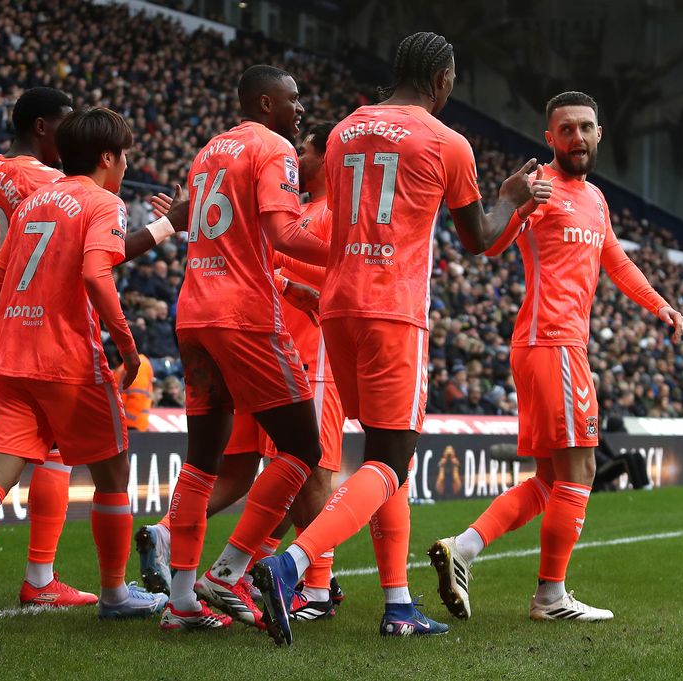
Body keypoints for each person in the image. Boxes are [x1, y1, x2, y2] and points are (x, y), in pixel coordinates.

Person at [252, 32, 544, 645]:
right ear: (441, 80)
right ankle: (291, 565)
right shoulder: (447, 142)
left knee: (390, 463)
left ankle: (398, 603)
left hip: (338, 308)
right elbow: (481, 238)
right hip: (393, 310)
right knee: (388, 460)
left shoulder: (343, 130)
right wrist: (512, 199)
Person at [428, 91, 683, 623]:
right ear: (550, 138)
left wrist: (658, 303)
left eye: (585, 127)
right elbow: (492, 244)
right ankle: (550, 597)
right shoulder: (540, 188)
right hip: (553, 342)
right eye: (565, 129)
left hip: (557, 346)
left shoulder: (595, 199)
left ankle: (463, 549)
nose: (577, 137)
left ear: (599, 133)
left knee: (550, 482)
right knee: (581, 470)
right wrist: (518, 201)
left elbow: (615, 260)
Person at [0, 87, 184, 609]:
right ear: (108, 157)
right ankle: (107, 591)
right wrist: (129, 348)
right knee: (109, 471)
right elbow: (97, 267)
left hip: (2, 342)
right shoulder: (87, 195)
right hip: (64, 351)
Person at [136, 123, 348, 622]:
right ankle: (267, 578)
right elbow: (281, 241)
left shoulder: (212, 150)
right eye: (292, 101)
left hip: (199, 314)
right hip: (266, 335)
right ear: (269, 102)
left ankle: (183, 592)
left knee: (213, 464)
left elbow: (254, 250)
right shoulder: (281, 165)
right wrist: (355, 257)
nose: (297, 119)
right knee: (306, 458)